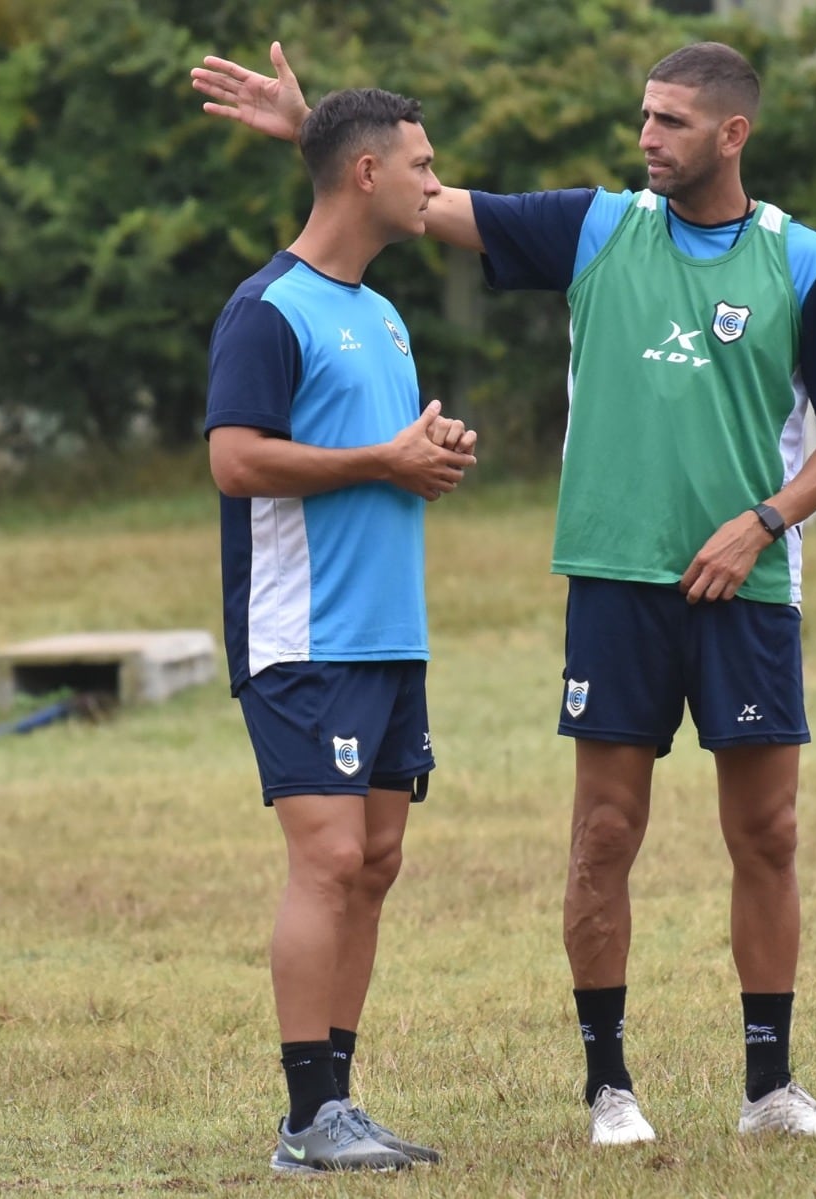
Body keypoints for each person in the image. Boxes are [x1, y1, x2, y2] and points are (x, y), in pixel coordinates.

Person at [194, 41, 816, 1142]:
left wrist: (762, 522)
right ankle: (609, 1086)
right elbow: (405, 194)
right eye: (643, 116)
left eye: (672, 122)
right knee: (603, 833)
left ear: (732, 135)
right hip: (613, 583)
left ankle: (769, 1089)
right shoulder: (597, 226)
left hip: (747, 586)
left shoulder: (799, 262)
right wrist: (312, 123)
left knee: (770, 833)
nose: (648, 137)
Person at [204, 85, 479, 1173]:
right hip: (302, 637)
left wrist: (428, 450)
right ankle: (304, 1119)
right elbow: (235, 460)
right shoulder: (267, 310)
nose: (431, 180)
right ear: (367, 174)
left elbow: (378, 455)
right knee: (325, 857)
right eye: (418, 162)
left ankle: (338, 1104)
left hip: (387, 634)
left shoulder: (380, 309)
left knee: (372, 862)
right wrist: (383, 460)